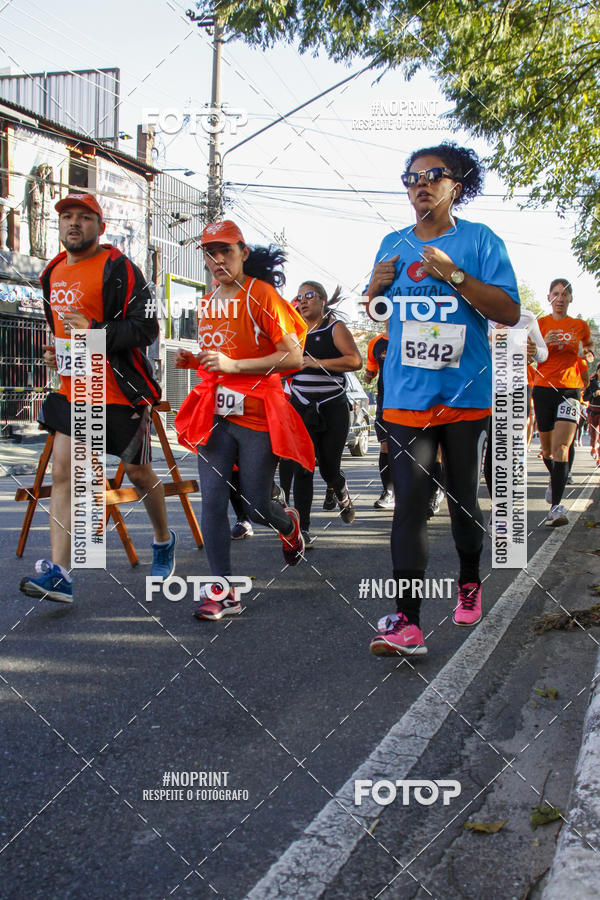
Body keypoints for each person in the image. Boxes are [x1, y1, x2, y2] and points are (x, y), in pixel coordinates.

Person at [363, 143, 520, 657]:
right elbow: (381, 312)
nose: (421, 184)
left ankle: (470, 579)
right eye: (411, 178)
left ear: (457, 184)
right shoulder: (392, 242)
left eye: (434, 175)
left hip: (465, 392)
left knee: (461, 498)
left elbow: (510, 311)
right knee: (409, 503)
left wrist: (453, 274)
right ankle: (407, 622)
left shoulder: (479, 240)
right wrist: (373, 289)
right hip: (407, 394)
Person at [19, 192, 176, 604]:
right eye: (67, 216)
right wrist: (58, 353)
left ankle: (162, 538)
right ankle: (61, 574)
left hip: (121, 393)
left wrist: (94, 329)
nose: (74, 223)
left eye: (84, 217)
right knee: (64, 478)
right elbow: (65, 335)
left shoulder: (119, 267)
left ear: (100, 226)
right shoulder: (51, 273)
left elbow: (147, 330)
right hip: (73, 392)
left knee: (139, 474)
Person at [173, 220, 314, 620]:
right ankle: (225, 592)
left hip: (257, 414)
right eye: (210, 252)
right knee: (213, 503)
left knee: (254, 507)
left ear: (243, 253)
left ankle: (287, 524)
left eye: (226, 251)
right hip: (214, 413)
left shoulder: (262, 295)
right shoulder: (207, 302)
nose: (218, 259)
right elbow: (216, 361)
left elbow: (292, 358)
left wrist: (235, 364)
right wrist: (197, 362)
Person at [278, 282, 362, 545]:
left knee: (328, 469)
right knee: (304, 468)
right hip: (301, 406)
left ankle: (341, 491)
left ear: (323, 300)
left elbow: (355, 360)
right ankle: (302, 530)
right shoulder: (293, 332)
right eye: (299, 297)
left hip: (332, 406)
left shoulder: (333, 328)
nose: (303, 301)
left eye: (309, 296)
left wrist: (318, 363)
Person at [532, 279, 593, 526]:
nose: (560, 298)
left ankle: (556, 508)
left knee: (562, 448)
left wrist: (585, 353)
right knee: (547, 450)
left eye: (565, 294)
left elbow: (589, 350)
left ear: (570, 299)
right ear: (549, 297)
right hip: (544, 388)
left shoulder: (580, 325)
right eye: (556, 294)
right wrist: (544, 342)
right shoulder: (539, 324)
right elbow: (531, 355)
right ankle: (554, 477)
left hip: (570, 388)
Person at [483, 308, 548, 526]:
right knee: (492, 451)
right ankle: (498, 504)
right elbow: (467, 351)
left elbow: (543, 353)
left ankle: (503, 509)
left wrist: (533, 350)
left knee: (509, 450)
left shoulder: (526, 317)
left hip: (517, 389)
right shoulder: (478, 315)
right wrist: (491, 339)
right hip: (486, 390)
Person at [365, 325, 394, 509]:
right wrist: (368, 375)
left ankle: (431, 491)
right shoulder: (375, 343)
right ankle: (389, 492)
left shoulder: (411, 335)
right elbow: (371, 369)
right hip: (385, 401)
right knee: (385, 446)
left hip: (412, 400)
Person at [584, 362, 600, 461]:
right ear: (597, 371)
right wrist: (594, 394)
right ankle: (593, 448)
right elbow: (585, 397)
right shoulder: (591, 382)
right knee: (593, 434)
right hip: (592, 411)